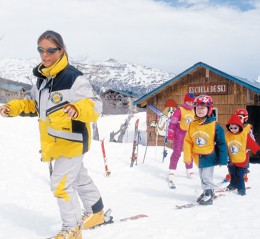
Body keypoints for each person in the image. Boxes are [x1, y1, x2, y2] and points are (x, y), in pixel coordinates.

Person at [0, 30, 107, 239]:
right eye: (41, 50)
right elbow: (34, 105)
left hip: (73, 140)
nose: (45, 55)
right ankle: (96, 212)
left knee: (61, 184)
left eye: (50, 50)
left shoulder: (73, 78)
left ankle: (72, 228)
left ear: (61, 50)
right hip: (55, 142)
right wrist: (14, 107)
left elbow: (96, 106)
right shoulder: (42, 79)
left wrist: (78, 109)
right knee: (78, 178)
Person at [183, 95, 228, 205]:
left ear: (209, 109)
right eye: (197, 108)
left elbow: (222, 143)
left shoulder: (215, 126)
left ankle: (208, 193)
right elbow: (188, 141)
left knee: (207, 177)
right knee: (202, 176)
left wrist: (223, 159)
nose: (200, 111)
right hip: (198, 156)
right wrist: (187, 156)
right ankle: (207, 191)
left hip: (209, 155)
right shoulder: (192, 124)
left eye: (203, 108)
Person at [225, 114, 260, 195]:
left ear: (239, 127)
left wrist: (257, 151)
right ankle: (233, 184)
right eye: (231, 128)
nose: (233, 130)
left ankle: (241, 189)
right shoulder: (228, 135)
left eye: (235, 128)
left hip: (241, 158)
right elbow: (223, 144)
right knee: (232, 173)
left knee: (239, 175)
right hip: (232, 159)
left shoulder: (244, 135)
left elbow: (252, 144)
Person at [167, 93, 195, 188]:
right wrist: (170, 135)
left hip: (190, 135)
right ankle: (172, 171)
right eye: (188, 101)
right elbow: (172, 123)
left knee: (189, 153)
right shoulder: (180, 110)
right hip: (180, 134)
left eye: (192, 102)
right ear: (185, 101)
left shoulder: (194, 111)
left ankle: (189, 170)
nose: (190, 103)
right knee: (177, 152)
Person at [225, 108, 254, 183]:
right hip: (233, 147)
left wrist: (249, 146)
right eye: (237, 117)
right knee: (231, 161)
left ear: (245, 118)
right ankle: (231, 173)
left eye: (240, 118)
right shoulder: (233, 126)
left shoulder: (247, 128)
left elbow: (251, 138)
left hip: (243, 149)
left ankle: (244, 174)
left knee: (244, 161)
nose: (238, 119)